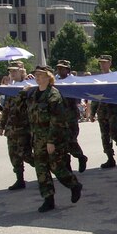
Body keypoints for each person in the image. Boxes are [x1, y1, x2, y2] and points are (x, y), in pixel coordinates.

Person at [26, 65, 82, 212]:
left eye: (40, 75)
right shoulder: (33, 94)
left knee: (57, 167)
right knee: (41, 170)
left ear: (48, 77)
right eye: (36, 75)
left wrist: (51, 141)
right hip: (38, 139)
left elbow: (57, 120)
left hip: (53, 138)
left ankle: (74, 184)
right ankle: (48, 199)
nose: (37, 77)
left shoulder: (54, 95)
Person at [0, 62, 35, 190]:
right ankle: (20, 180)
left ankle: (45, 168)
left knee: (26, 154)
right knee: (13, 155)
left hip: (24, 127)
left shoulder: (29, 85)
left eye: (15, 71)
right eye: (11, 71)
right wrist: (2, 125)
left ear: (22, 71)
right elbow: (6, 109)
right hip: (11, 128)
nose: (12, 73)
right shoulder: (10, 88)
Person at [90, 55, 117, 168]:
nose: (102, 64)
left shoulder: (116, 77)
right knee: (105, 136)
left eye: (105, 62)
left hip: (114, 110)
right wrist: (92, 112)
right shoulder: (97, 79)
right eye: (101, 62)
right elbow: (94, 97)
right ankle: (110, 158)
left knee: (115, 133)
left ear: (110, 63)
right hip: (102, 111)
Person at [55, 59, 88, 172]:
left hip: (71, 116)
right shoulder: (55, 81)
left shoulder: (73, 81)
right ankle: (67, 167)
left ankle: (81, 157)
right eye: (58, 68)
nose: (59, 70)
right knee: (61, 143)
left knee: (71, 141)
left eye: (62, 68)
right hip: (59, 117)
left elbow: (80, 94)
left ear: (67, 70)